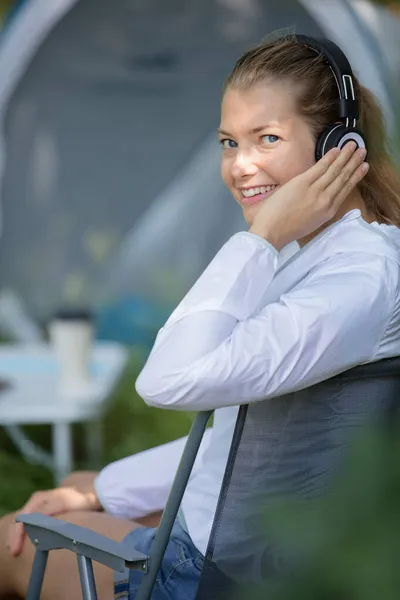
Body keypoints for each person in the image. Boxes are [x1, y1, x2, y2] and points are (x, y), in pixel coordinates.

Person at [1, 31, 400, 600]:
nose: (240, 165)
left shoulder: (356, 281)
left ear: (337, 145)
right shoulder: (338, 260)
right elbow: (241, 440)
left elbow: (168, 379)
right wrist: (104, 490)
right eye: (228, 142)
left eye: (267, 138)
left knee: (8, 542)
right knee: (75, 491)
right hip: (249, 546)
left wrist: (261, 237)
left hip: (206, 579)